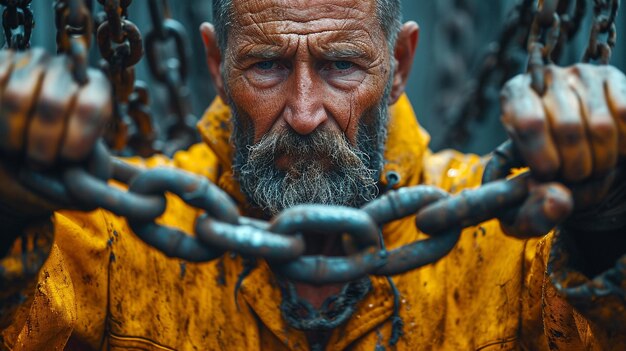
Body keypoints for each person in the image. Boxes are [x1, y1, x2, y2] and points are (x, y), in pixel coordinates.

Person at [1, 0, 625, 349]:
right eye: (267, 65)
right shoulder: (120, 237)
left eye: (342, 66)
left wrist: (605, 227)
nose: (303, 114)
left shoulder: (501, 244)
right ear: (218, 63)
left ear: (401, 63)